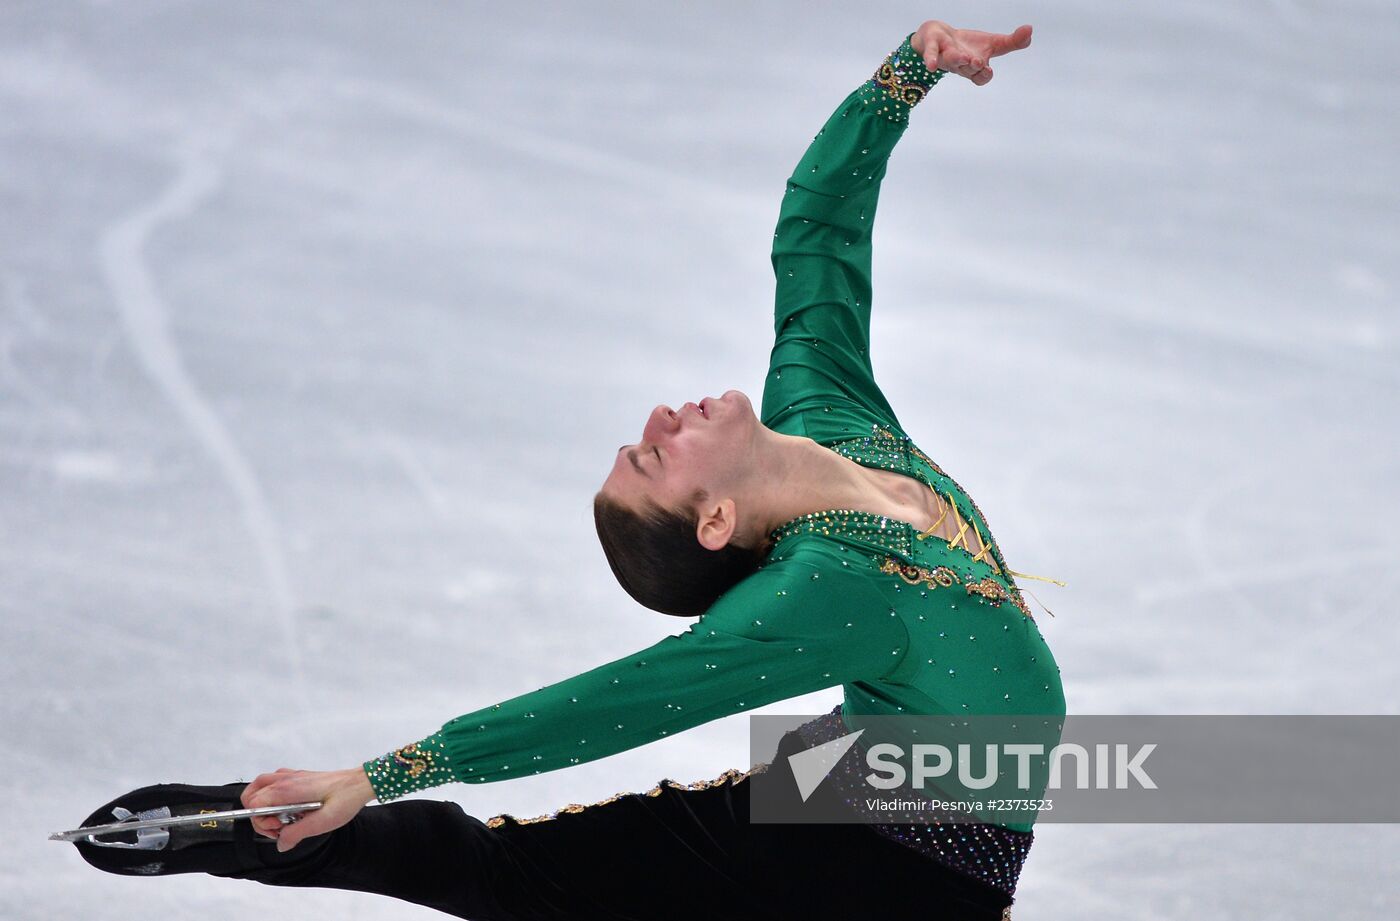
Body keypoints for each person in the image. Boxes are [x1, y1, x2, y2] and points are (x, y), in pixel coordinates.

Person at [71, 18, 1062, 921]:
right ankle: (275, 832)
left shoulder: (829, 414)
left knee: (519, 874)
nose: (656, 419)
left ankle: (292, 836)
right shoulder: (825, 588)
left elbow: (816, 234)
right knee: (511, 874)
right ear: (714, 520)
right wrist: (380, 774)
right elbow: (616, 702)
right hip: (886, 870)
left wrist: (901, 77)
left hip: (872, 797)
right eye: (651, 458)